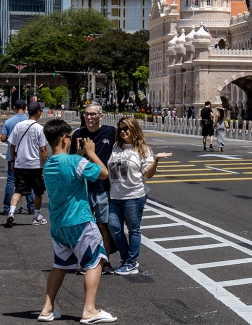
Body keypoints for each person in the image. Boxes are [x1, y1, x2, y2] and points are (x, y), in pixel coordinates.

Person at [38, 118, 116, 324]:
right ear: (64, 139)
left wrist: (80, 157)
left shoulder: (48, 165)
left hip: (59, 224)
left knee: (60, 264)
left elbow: (70, 174)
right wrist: (91, 153)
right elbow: (103, 173)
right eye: (71, 138)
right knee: (96, 260)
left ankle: (47, 309)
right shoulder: (75, 161)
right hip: (80, 220)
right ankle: (89, 310)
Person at [108, 117, 171, 276]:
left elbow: (147, 175)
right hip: (115, 195)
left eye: (126, 129)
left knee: (133, 230)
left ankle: (130, 263)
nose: (122, 132)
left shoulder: (143, 149)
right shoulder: (116, 146)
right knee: (114, 228)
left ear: (134, 130)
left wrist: (156, 160)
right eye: (120, 129)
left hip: (134, 196)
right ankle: (127, 260)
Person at [72, 103, 117, 272]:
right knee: (83, 225)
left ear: (100, 116)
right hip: (82, 188)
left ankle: (104, 261)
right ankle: (86, 260)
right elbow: (72, 162)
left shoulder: (110, 132)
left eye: (92, 114)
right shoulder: (78, 134)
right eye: (86, 114)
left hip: (103, 187)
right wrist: (78, 154)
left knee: (103, 225)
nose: (89, 117)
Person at [6, 101, 49, 228]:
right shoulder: (39, 128)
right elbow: (43, 149)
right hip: (35, 165)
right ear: (38, 112)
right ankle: (36, 216)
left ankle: (11, 212)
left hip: (20, 164)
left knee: (18, 190)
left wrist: (13, 160)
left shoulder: (19, 126)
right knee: (38, 192)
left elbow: (12, 146)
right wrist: (45, 165)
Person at [1, 100, 34, 216]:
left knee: (11, 181)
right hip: (27, 155)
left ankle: (7, 207)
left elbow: (3, 138)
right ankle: (31, 206)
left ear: (14, 107)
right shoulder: (30, 121)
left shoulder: (9, 121)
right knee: (28, 181)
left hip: (12, 155)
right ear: (25, 108)